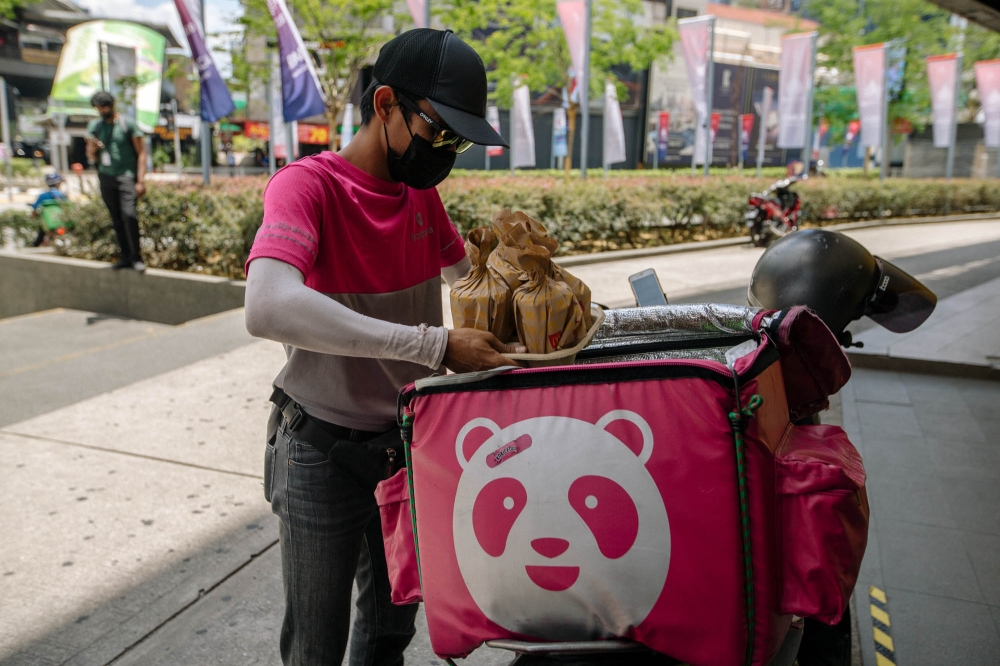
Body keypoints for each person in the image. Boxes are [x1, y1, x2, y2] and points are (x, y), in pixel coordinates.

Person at [243, 29, 520, 666]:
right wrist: (432, 344)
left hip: (405, 449)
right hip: (319, 450)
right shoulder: (306, 188)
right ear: (386, 103)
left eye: (459, 140)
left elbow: (470, 279)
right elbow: (267, 305)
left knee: (389, 635)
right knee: (317, 644)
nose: (447, 152)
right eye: (439, 132)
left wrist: (532, 278)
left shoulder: (421, 195)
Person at [85, 91, 148, 272]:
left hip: (126, 175)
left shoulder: (126, 124)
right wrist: (93, 149)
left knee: (129, 215)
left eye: (104, 107)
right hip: (106, 176)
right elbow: (90, 156)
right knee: (117, 218)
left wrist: (141, 180)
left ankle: (136, 256)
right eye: (98, 108)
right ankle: (125, 256)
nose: (102, 111)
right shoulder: (95, 127)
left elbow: (142, 152)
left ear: (111, 106)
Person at [30, 172, 69, 247]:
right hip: (62, 222)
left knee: (40, 235)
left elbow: (35, 210)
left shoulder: (43, 195)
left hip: (48, 224)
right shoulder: (63, 195)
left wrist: (34, 215)